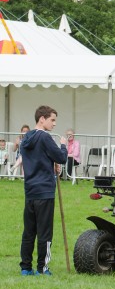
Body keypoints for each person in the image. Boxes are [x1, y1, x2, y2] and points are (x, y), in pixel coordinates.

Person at [19, 105, 67, 276]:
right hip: (45, 190)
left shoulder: (26, 138)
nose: (54, 124)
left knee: (29, 231)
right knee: (45, 232)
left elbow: (34, 158)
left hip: (30, 189)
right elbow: (61, 157)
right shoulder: (45, 137)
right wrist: (63, 145)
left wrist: (49, 164)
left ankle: (25, 268)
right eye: (52, 119)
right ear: (42, 119)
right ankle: (42, 268)